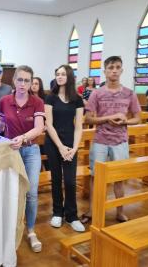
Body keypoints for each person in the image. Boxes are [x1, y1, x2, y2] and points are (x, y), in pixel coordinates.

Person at [80, 56, 141, 224]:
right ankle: (92, 211)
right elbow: (88, 119)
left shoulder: (129, 93)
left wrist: (125, 121)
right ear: (105, 71)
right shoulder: (96, 93)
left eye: (118, 67)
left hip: (120, 140)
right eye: (111, 67)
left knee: (119, 177)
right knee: (96, 177)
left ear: (122, 70)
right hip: (100, 140)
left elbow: (137, 118)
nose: (114, 70)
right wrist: (108, 118)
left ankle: (120, 211)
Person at [0, 65, 45, 253]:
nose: (23, 84)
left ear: (31, 82)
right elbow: (0, 126)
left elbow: (39, 127)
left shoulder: (37, 102)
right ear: (14, 81)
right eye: (20, 80)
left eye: (27, 80)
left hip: (30, 151)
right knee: (10, 191)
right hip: (10, 152)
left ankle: (31, 230)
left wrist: (23, 138)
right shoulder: (4, 101)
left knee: (31, 193)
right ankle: (12, 228)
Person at [44, 65, 85, 232]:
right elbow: (49, 124)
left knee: (70, 180)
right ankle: (57, 213)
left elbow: (79, 126)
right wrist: (60, 147)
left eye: (62, 74)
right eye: (57, 74)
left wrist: (74, 148)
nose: (59, 76)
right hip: (54, 143)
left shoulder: (77, 99)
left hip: (70, 144)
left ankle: (72, 216)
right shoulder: (51, 97)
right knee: (56, 179)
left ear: (69, 76)